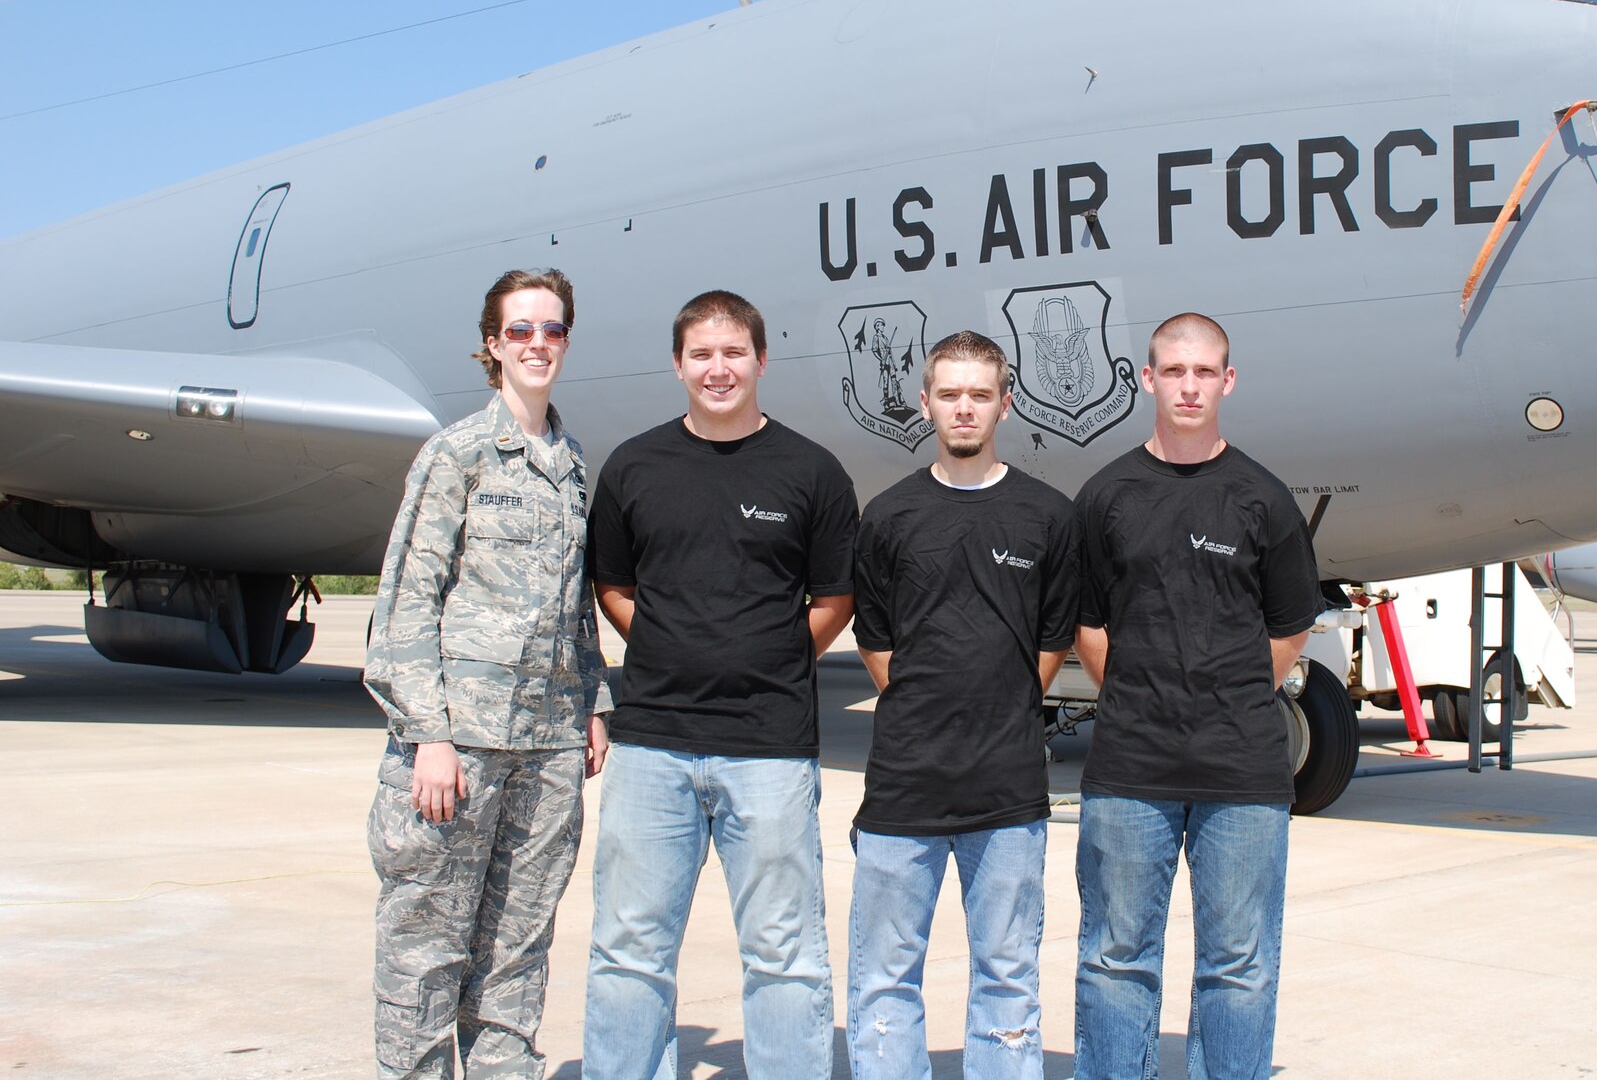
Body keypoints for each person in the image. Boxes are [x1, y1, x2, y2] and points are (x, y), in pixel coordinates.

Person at [583, 290, 858, 1080]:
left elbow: (834, 598)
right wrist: (673, 646)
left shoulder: (813, 472)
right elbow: (614, 585)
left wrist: (766, 653)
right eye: (701, 354)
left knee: (785, 953)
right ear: (677, 365)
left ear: (761, 361)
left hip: (768, 749)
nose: (718, 368)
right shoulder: (635, 466)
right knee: (628, 947)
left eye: (734, 352)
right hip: (651, 747)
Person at [364, 267, 612, 1080]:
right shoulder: (457, 455)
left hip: (546, 749)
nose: (537, 344)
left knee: (518, 946)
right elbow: (405, 603)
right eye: (520, 331)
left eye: (551, 330)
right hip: (458, 747)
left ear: (565, 341)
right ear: (492, 345)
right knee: (426, 946)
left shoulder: (572, 465)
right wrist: (426, 733)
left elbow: (574, 604)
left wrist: (592, 704)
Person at [1070, 313, 1323, 1080]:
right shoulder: (1107, 495)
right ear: (1147, 378)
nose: (1188, 385)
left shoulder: (1262, 498)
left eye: (1204, 371)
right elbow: (1088, 624)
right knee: (1116, 958)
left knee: (1238, 966)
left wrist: (1226, 697)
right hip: (1129, 771)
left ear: (1227, 380)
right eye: (1173, 371)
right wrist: (1146, 697)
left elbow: (1289, 630)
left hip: (1241, 773)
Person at [846, 331, 1080, 1079]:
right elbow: (877, 642)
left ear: (1005, 403)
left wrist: (997, 704)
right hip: (902, 792)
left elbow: (1050, 640)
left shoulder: (1047, 515)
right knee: (883, 983)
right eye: (949, 393)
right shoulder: (889, 515)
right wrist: (927, 707)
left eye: (980, 393)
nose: (964, 407)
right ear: (925, 403)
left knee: (1007, 982)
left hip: (1007, 792)